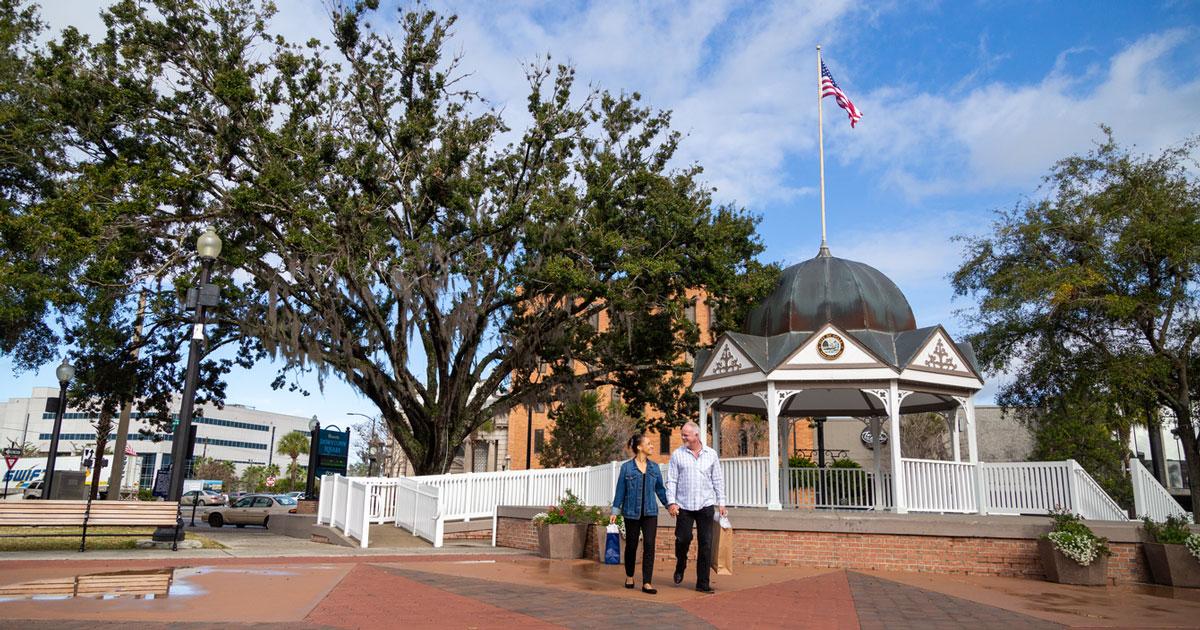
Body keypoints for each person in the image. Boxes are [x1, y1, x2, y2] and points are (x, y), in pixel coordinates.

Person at [666, 420, 726, 594]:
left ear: (696, 435)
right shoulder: (678, 454)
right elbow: (672, 480)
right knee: (683, 539)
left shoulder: (711, 454)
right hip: (683, 506)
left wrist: (721, 502)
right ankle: (681, 563)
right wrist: (672, 502)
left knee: (706, 544)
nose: (683, 437)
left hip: (705, 505)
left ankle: (703, 583)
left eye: (686, 434)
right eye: (682, 434)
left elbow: (717, 480)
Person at [610, 432, 669, 595]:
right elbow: (620, 490)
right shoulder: (627, 467)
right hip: (631, 513)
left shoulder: (654, 467)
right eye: (648, 443)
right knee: (631, 546)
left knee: (649, 545)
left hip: (650, 512)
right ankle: (629, 576)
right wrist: (615, 510)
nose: (652, 446)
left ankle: (647, 582)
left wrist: (669, 505)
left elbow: (660, 490)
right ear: (639, 447)